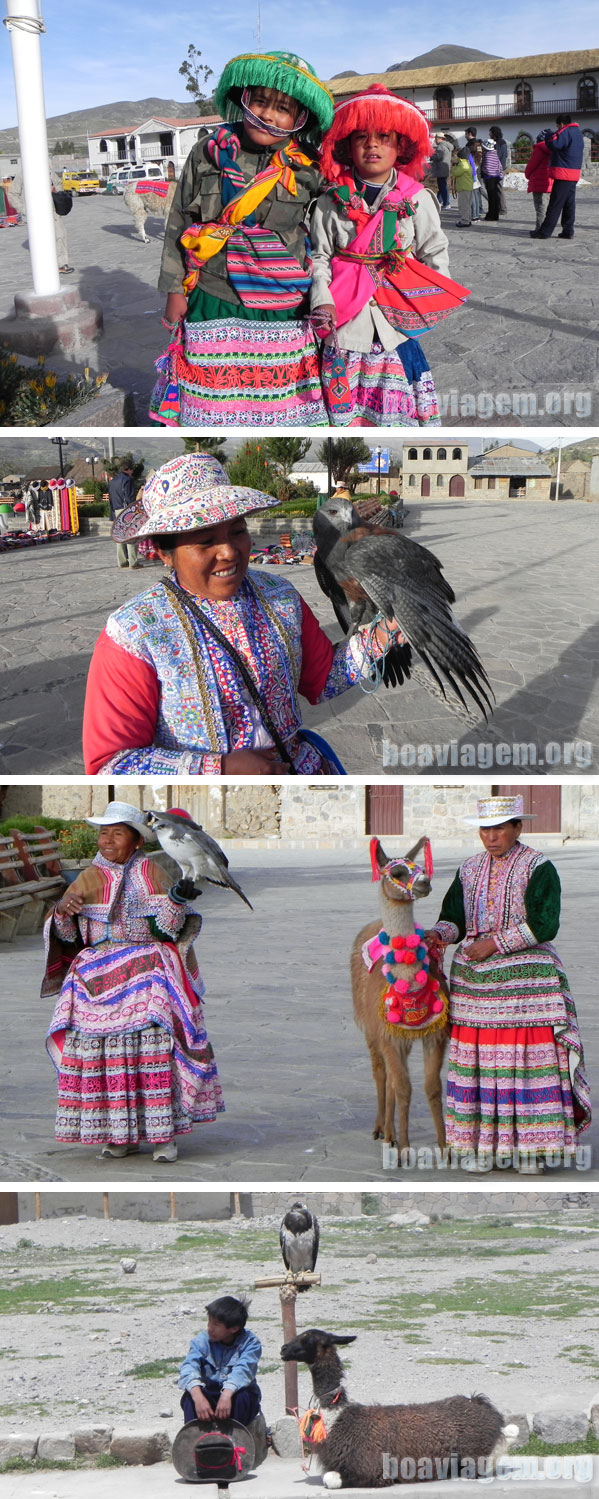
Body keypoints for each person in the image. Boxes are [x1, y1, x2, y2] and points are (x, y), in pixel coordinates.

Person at [82, 452, 402, 776]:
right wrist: (219, 769)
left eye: (237, 531)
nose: (229, 552)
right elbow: (112, 764)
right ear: (166, 553)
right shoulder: (135, 633)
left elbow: (322, 679)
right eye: (206, 541)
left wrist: (388, 630)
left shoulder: (280, 597)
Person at [151, 50, 334, 426]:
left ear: (300, 119)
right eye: (261, 101)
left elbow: (328, 234)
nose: (268, 114)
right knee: (212, 404)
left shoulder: (311, 168)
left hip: (283, 305)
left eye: (282, 108)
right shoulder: (208, 151)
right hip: (213, 296)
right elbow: (178, 220)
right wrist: (174, 290)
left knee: (280, 409)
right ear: (244, 99)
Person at [44, 801, 223, 1164]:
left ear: (137, 841)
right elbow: (70, 933)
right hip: (97, 969)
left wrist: (176, 900)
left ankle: (162, 1138)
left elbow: (168, 929)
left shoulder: (151, 871)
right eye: (103, 833)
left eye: (117, 833)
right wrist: (63, 910)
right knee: (101, 1055)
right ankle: (118, 1134)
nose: (107, 840)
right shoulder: (87, 876)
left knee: (153, 1046)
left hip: (146, 965)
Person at [426, 796, 591, 1174]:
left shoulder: (538, 867)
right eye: (485, 829)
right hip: (474, 982)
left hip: (526, 977)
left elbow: (545, 923)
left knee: (526, 1061)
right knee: (480, 1064)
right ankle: (484, 1147)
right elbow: (454, 918)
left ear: (518, 828)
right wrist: (438, 934)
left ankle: (533, 1150)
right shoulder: (468, 870)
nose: (491, 836)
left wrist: (496, 943)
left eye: (500, 828)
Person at [310, 86, 470, 427]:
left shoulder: (417, 200)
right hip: (346, 324)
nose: (372, 145)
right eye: (362, 137)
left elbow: (434, 250)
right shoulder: (329, 203)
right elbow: (319, 257)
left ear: (400, 147)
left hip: (395, 329)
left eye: (384, 136)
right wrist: (321, 301)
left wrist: (428, 301)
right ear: (347, 146)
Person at [179, 1294, 262, 1428]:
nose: (210, 1328)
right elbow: (188, 1366)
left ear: (234, 1328)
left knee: (242, 1398)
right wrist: (198, 1397)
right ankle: (195, 1443)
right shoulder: (202, 1340)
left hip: (235, 1394)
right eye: (209, 1322)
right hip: (210, 1392)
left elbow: (243, 1371)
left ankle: (235, 1444)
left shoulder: (251, 1343)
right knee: (190, 1397)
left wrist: (226, 1395)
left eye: (216, 1324)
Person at [9, 164, 73, 274]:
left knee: (60, 235)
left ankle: (62, 264)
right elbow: (12, 194)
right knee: (41, 239)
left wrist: (54, 189)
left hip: (52, 211)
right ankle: (45, 265)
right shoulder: (23, 175)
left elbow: (58, 184)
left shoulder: (48, 172)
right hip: (35, 213)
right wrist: (23, 209)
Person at [530, 114, 584, 241]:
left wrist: (549, 136)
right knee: (569, 204)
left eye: (557, 126)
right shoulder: (578, 133)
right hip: (574, 173)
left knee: (555, 204)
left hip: (563, 173)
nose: (557, 129)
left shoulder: (565, 131)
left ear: (561, 124)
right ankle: (568, 230)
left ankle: (544, 232)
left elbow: (555, 145)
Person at [109, 461, 141, 570]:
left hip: (116, 510)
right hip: (126, 510)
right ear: (128, 470)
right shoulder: (128, 480)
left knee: (120, 536)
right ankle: (133, 562)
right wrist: (134, 510)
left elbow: (110, 499)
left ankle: (122, 561)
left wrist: (112, 513)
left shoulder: (113, 481)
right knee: (130, 535)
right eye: (131, 470)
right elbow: (129, 497)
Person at [524, 131, 554, 230]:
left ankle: (540, 229)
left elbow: (531, 166)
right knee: (548, 208)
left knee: (540, 208)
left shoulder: (539, 149)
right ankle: (547, 228)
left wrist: (527, 175)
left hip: (538, 182)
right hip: (550, 182)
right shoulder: (554, 149)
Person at [480, 138, 503, 221]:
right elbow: (499, 166)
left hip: (490, 178)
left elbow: (487, 168)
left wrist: (484, 171)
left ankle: (491, 215)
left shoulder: (487, 155)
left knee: (491, 197)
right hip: (496, 177)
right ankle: (494, 214)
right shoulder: (495, 153)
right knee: (494, 197)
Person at [450, 146, 474, 227]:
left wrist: (453, 167)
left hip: (463, 188)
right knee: (467, 205)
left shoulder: (462, 165)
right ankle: (468, 219)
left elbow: (455, 173)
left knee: (463, 205)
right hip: (468, 187)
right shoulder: (467, 163)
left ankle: (465, 221)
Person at [489, 125, 509, 215]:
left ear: (494, 133)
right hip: (501, 168)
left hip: (497, 169)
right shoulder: (503, 142)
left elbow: (497, 157)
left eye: (490, 132)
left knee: (499, 189)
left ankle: (503, 209)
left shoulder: (498, 143)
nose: (489, 134)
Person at [430, 134, 452, 208]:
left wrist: (431, 155)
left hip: (440, 169)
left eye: (436, 138)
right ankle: (439, 201)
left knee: (442, 186)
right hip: (445, 168)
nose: (435, 140)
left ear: (440, 138)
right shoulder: (447, 145)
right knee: (442, 186)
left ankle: (446, 203)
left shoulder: (441, 146)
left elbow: (438, 156)